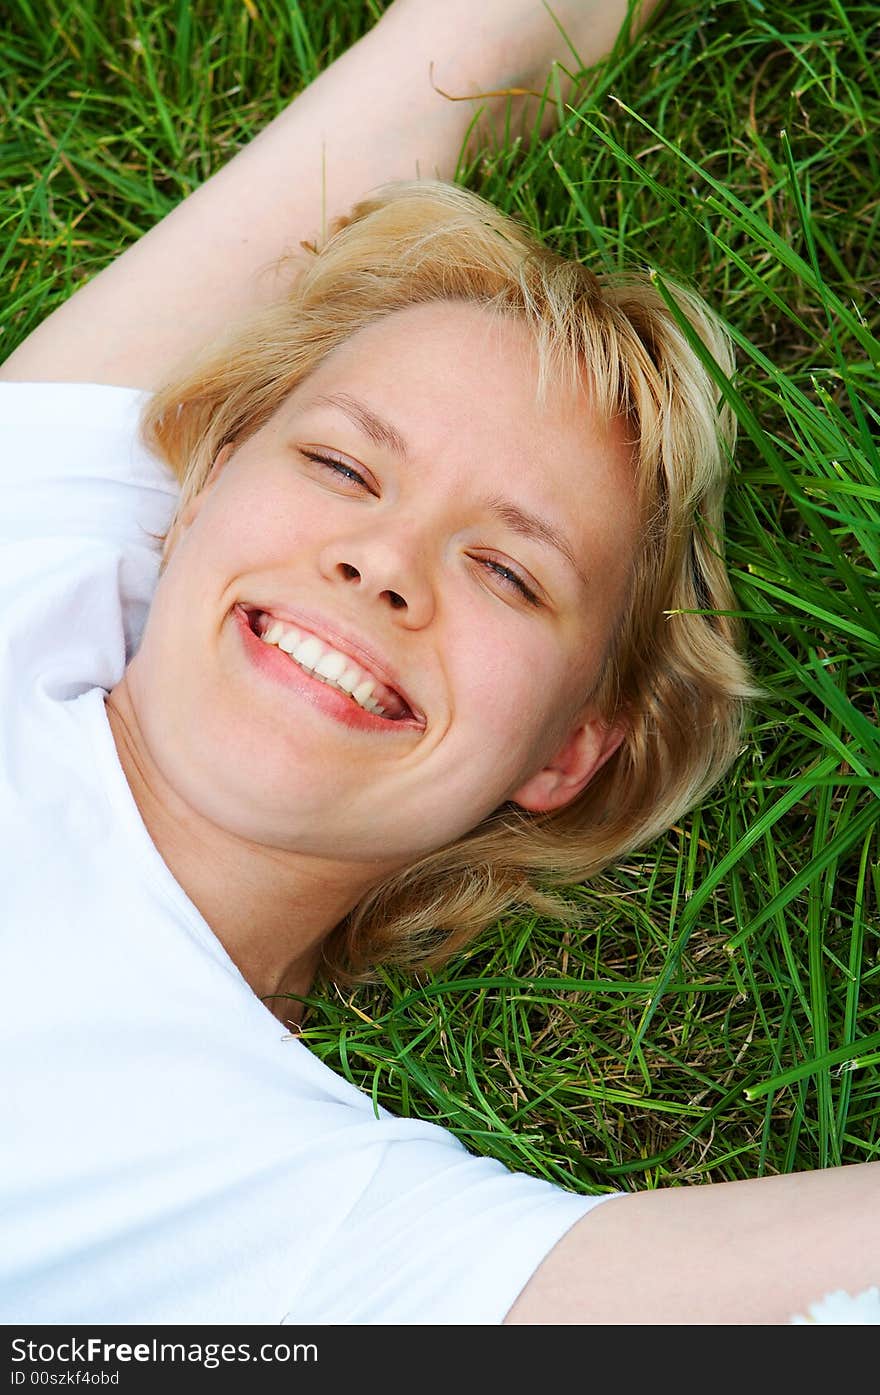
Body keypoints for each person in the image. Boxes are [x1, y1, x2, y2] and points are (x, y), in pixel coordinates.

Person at [0, 0, 876, 1326]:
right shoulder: (29, 561)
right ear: (197, 489)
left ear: (570, 751)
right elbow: (485, 36)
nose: (384, 563)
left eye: (510, 572)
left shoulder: (285, 1218)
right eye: (344, 465)